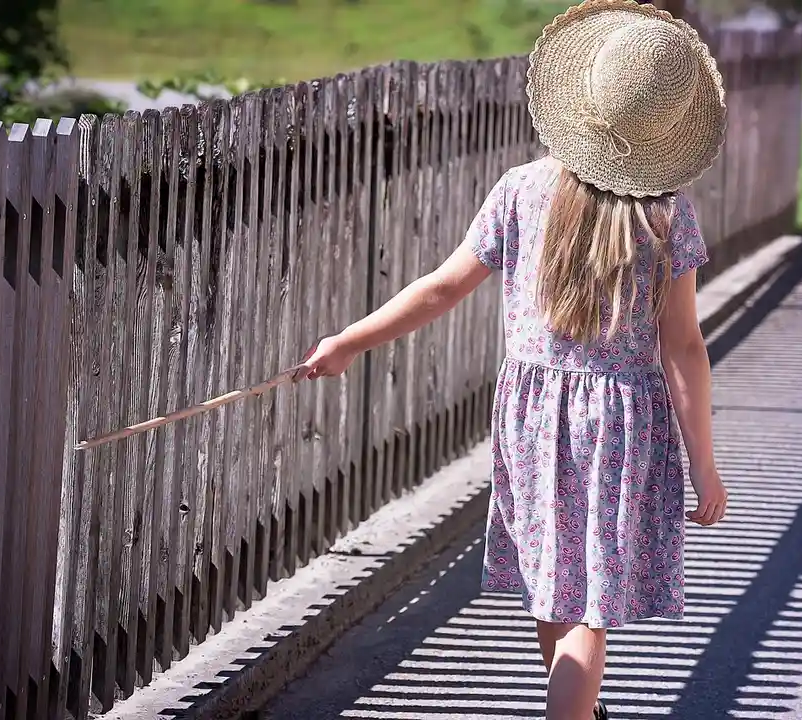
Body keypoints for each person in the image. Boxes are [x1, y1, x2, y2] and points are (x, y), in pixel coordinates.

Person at [298, 1, 729, 718]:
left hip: (533, 420)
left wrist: (347, 342)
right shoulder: (664, 211)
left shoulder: (523, 189)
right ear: (667, 129)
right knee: (590, 608)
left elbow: (440, 290)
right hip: (621, 425)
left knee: (554, 591)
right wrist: (703, 461)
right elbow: (683, 344)